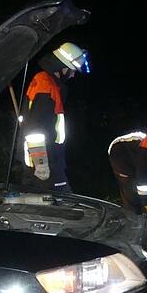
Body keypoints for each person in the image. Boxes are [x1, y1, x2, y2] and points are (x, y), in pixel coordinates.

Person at [20, 41, 89, 192]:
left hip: (44, 159)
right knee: (63, 203)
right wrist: (41, 163)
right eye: (71, 70)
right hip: (46, 162)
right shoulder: (47, 86)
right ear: (61, 67)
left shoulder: (46, 82)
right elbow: (35, 127)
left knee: (40, 205)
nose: (72, 75)